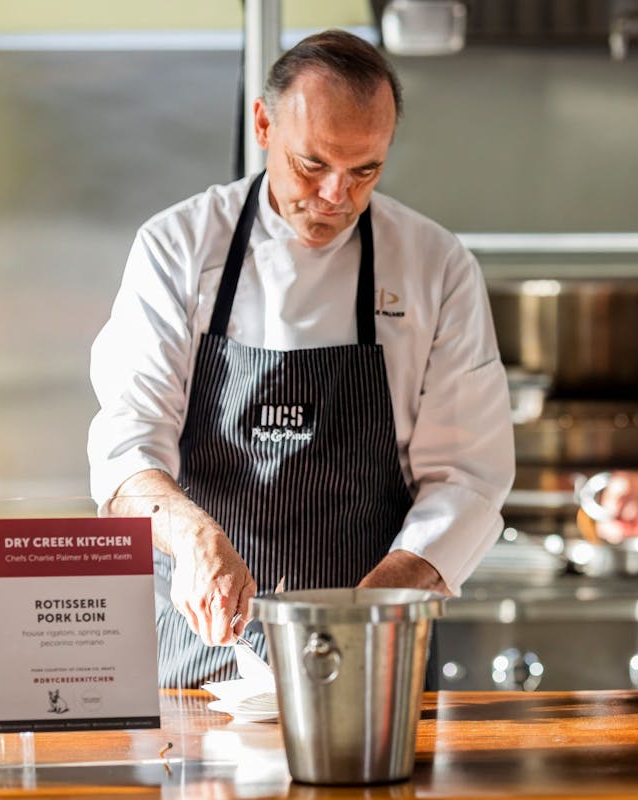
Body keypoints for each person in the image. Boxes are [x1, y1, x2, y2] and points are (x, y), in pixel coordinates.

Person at [87, 29, 514, 689]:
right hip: (196, 654)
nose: (336, 196)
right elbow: (126, 445)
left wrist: (370, 612)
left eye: (365, 170)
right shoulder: (176, 247)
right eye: (312, 164)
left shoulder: (435, 264)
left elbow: (470, 475)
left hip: (374, 648)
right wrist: (197, 542)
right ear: (263, 123)